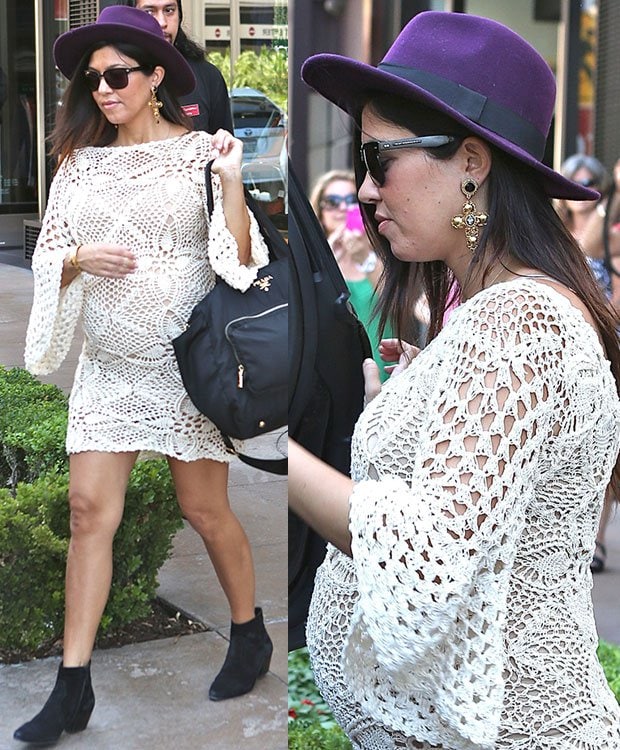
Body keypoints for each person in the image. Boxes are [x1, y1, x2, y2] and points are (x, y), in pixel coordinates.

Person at [291, 11, 620, 749]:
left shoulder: (519, 323)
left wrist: (280, 457)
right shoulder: (495, 315)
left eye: (380, 160)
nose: (366, 193)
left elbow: (428, 559)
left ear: (471, 161)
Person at [14, 7, 272, 746]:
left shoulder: (200, 154)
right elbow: (50, 251)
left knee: (204, 509)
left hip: (185, 370)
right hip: (107, 371)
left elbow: (240, 261)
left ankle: (250, 634)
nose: (103, 89)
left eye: (117, 74)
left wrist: (231, 180)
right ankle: (73, 688)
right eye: (92, 79)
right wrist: (74, 261)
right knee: (89, 515)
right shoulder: (77, 162)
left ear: (157, 76)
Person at [557, 154, 617, 573]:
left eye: (589, 182)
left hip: (607, 345)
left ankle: (594, 540)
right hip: (568, 345)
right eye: (574, 182)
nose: (582, 188)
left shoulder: (608, 227)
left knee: (605, 447)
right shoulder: (556, 230)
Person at [310, 169, 390, 380]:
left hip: (387, 370)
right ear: (321, 212)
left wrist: (365, 257)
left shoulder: (386, 253)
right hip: (340, 373)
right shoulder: (314, 261)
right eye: (333, 202)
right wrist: (327, 258)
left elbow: (399, 301)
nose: (343, 208)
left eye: (351, 200)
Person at [128, 0, 234, 133]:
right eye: (149, 12)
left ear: (180, 15)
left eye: (169, 10)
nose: (162, 22)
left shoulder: (207, 76)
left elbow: (224, 146)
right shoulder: (114, 78)